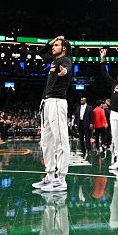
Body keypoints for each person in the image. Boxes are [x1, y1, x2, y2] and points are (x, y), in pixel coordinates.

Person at [32, 35, 72, 192]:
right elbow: (40, 53)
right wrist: (50, 41)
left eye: (56, 45)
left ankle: (61, 179)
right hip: (47, 102)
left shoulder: (65, 60)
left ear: (63, 48)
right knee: (46, 141)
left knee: (60, 141)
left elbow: (67, 69)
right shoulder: (54, 61)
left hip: (57, 102)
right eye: (53, 45)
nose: (53, 47)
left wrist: (64, 72)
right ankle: (49, 176)